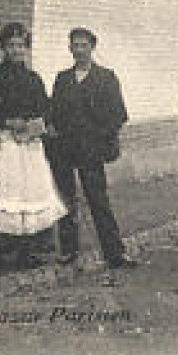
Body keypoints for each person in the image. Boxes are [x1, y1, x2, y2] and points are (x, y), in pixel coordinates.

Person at [47, 27, 140, 275]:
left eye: (83, 45)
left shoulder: (106, 77)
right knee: (65, 201)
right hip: (64, 149)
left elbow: (119, 115)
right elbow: (53, 112)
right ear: (70, 49)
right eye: (75, 45)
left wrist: (98, 137)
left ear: (92, 47)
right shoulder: (62, 79)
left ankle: (114, 252)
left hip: (91, 150)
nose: (79, 50)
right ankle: (68, 251)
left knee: (98, 200)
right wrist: (53, 127)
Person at [0, 22, 66, 267]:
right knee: (7, 192)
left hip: (29, 144)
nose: (16, 51)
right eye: (10, 46)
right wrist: (8, 121)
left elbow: (46, 109)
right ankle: (0, 250)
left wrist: (33, 125)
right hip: (6, 143)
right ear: (3, 48)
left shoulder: (33, 79)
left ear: (26, 49)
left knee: (30, 192)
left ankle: (26, 250)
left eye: (20, 45)